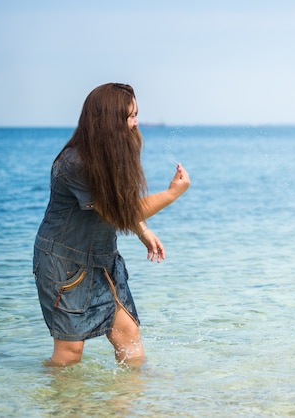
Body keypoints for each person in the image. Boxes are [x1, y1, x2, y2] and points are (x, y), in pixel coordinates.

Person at [33, 83, 190, 366]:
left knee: (128, 336)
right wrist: (171, 195)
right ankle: (62, 408)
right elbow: (119, 213)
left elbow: (122, 202)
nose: (136, 122)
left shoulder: (115, 152)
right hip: (65, 264)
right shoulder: (75, 163)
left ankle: (128, 406)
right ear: (109, 121)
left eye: (136, 114)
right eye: (130, 116)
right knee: (70, 353)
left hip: (104, 259)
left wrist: (142, 231)